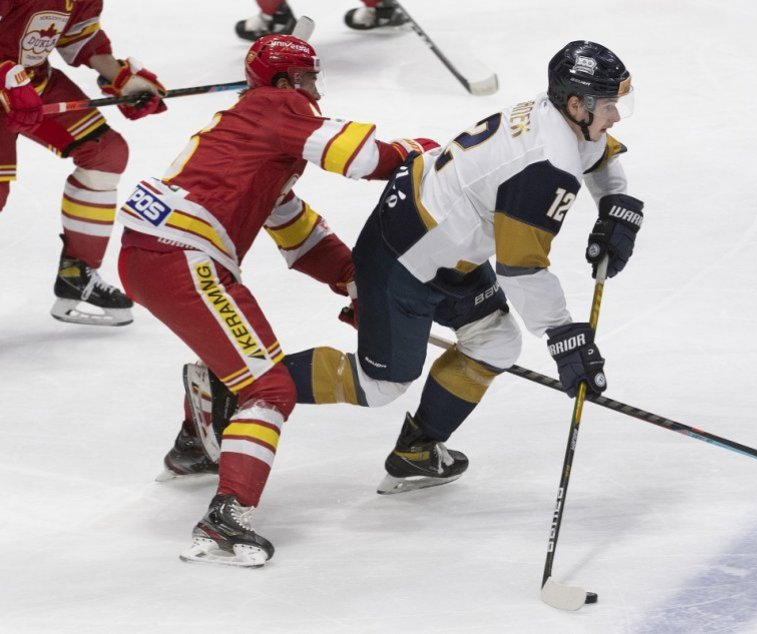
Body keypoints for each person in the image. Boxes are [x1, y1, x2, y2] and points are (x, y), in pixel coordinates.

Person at [117, 33, 436, 567]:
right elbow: (361, 157)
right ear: (286, 81)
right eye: (309, 78)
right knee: (268, 387)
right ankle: (226, 519)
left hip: (151, 255)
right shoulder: (277, 104)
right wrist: (417, 152)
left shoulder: (251, 137)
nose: (317, 91)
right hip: (182, 258)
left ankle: (196, 443)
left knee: (239, 364)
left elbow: (295, 231)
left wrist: (354, 280)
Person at [274, 40, 644, 495]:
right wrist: (564, 335)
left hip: (439, 241)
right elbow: (521, 269)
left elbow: (600, 153)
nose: (616, 116)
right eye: (608, 106)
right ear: (575, 104)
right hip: (404, 258)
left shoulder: (560, 120)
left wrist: (614, 203)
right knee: (380, 385)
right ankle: (242, 386)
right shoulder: (547, 165)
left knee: (496, 340)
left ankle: (416, 450)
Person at [0, 0, 166, 326]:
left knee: (105, 153)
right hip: (9, 86)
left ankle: (77, 274)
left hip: (32, 85)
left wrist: (121, 78)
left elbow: (77, 36)